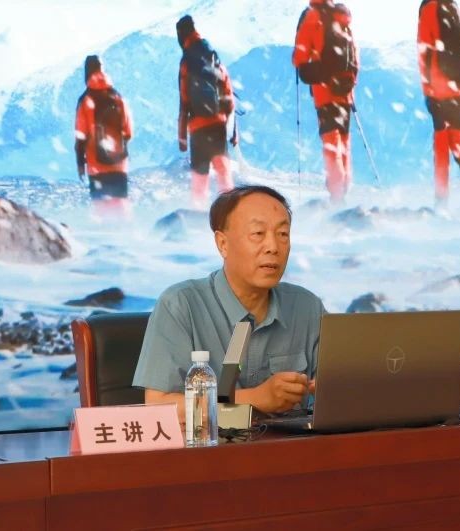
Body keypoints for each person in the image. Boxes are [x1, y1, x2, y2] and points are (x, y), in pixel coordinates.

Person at [133, 185, 325, 420]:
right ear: (222, 244)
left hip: (293, 444)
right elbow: (158, 407)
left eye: (283, 234)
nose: (273, 247)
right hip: (211, 444)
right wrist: (255, 398)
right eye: (258, 233)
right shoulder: (180, 304)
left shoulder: (308, 307)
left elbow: (341, 391)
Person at [292, 1, 358, 206]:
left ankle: (337, 196)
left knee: (331, 142)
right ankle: (344, 188)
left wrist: (307, 65)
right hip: (345, 92)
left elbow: (299, 57)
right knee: (344, 141)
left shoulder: (312, 17)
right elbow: (355, 59)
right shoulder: (342, 16)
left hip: (325, 93)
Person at [417, 0, 460, 208]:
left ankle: (441, 199)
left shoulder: (429, 8)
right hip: (459, 85)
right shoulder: (453, 7)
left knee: (441, 142)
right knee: (459, 141)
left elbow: (424, 52)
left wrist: (428, 90)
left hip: (439, 86)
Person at [176, 15, 236, 210]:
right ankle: (230, 210)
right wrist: (233, 131)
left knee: (200, 177)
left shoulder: (186, 61)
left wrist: (182, 137)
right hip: (218, 124)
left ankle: (198, 211)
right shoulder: (212, 55)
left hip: (198, 127)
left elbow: (184, 101)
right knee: (223, 172)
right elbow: (228, 94)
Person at [74, 55, 134, 218]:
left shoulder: (85, 100)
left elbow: (80, 137)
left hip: (96, 165)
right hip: (119, 163)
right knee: (121, 209)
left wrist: (80, 164)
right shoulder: (117, 97)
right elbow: (128, 132)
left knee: (102, 212)